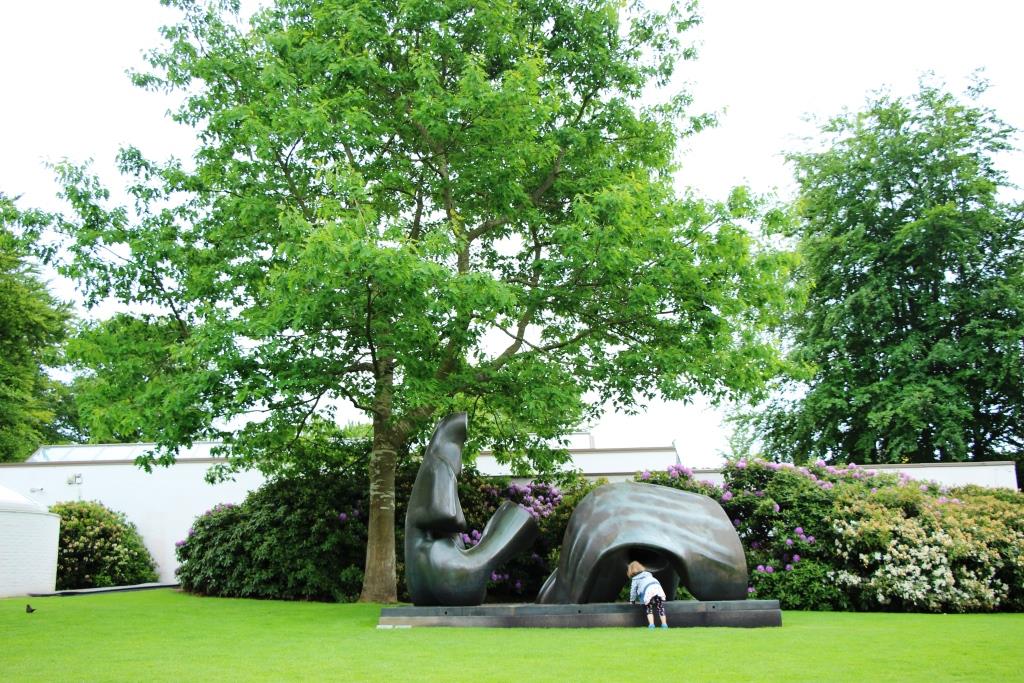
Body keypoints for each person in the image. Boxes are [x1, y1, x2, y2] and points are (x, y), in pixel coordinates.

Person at [627, 560, 668, 629]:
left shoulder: (635, 579)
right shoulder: (648, 574)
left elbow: (633, 591)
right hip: (657, 588)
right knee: (660, 607)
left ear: (631, 570)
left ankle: (651, 625)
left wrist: (632, 601)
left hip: (648, 590)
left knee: (649, 608)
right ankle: (664, 625)